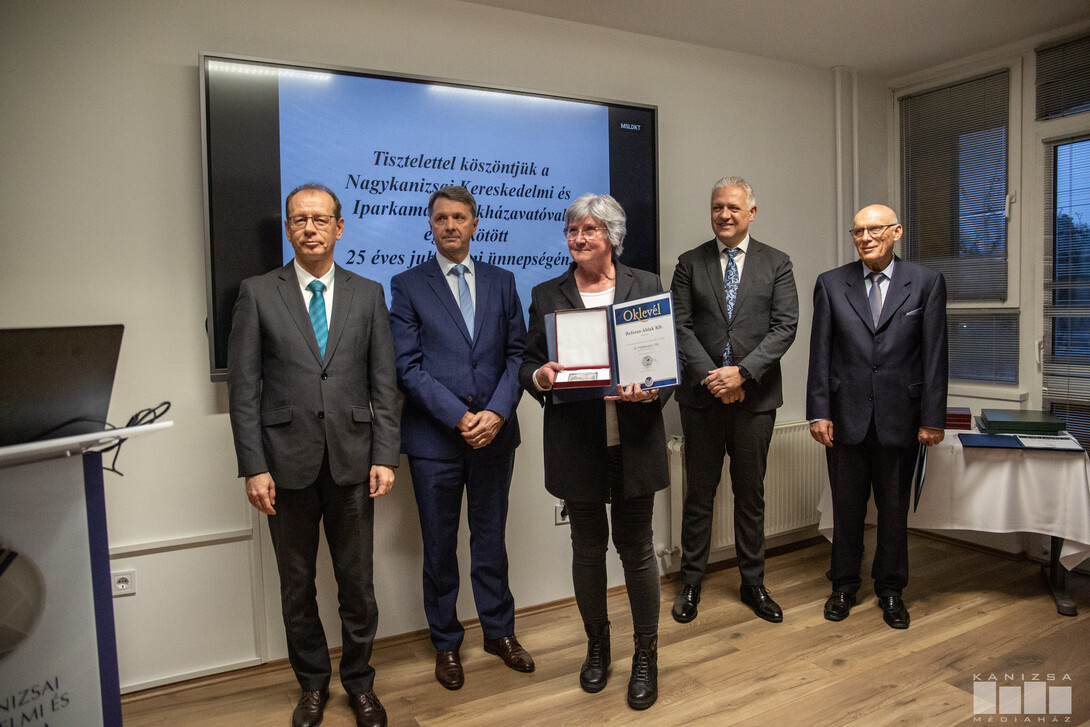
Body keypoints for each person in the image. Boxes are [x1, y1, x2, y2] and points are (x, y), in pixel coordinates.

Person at [227, 183, 398, 727]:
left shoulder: (368, 293)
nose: (310, 228)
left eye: (321, 219)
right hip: (284, 466)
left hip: (354, 462)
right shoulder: (258, 293)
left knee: (358, 587)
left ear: (339, 227)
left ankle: (360, 684)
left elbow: (384, 383)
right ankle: (312, 686)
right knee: (297, 587)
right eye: (300, 219)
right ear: (287, 228)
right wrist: (254, 466)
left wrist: (385, 455)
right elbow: (243, 390)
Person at [520, 193, 668, 711]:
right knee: (587, 550)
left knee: (637, 549)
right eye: (572, 231)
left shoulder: (646, 286)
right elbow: (528, 362)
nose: (578, 239)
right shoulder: (546, 293)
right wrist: (541, 377)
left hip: (635, 442)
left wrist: (652, 389)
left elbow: (665, 359)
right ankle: (598, 646)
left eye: (590, 230)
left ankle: (646, 653)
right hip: (576, 444)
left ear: (612, 236)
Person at [389, 185, 532, 691]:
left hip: (495, 436)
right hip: (435, 441)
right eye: (441, 218)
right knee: (439, 547)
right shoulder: (407, 285)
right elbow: (407, 367)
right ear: (430, 225)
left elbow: (518, 354)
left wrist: (495, 412)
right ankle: (446, 643)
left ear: (475, 223)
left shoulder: (502, 281)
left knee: (491, 539)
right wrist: (460, 417)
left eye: (459, 217)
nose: (450, 225)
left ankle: (499, 632)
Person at [806, 204, 948, 629]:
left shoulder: (926, 282)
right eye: (858, 232)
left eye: (874, 230)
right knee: (846, 510)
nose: (865, 238)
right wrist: (818, 412)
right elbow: (820, 353)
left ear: (896, 232)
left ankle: (890, 590)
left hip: (901, 418)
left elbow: (935, 355)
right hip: (844, 419)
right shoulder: (831, 284)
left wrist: (933, 418)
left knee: (893, 511)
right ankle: (843, 586)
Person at [669, 176, 798, 625]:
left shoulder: (777, 263)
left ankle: (753, 583)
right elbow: (680, 326)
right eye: (717, 207)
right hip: (702, 400)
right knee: (698, 495)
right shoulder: (689, 263)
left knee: (750, 495)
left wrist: (741, 374)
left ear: (752, 213)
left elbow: (785, 326)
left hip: (755, 401)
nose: (724, 215)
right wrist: (715, 379)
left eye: (733, 208)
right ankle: (691, 583)